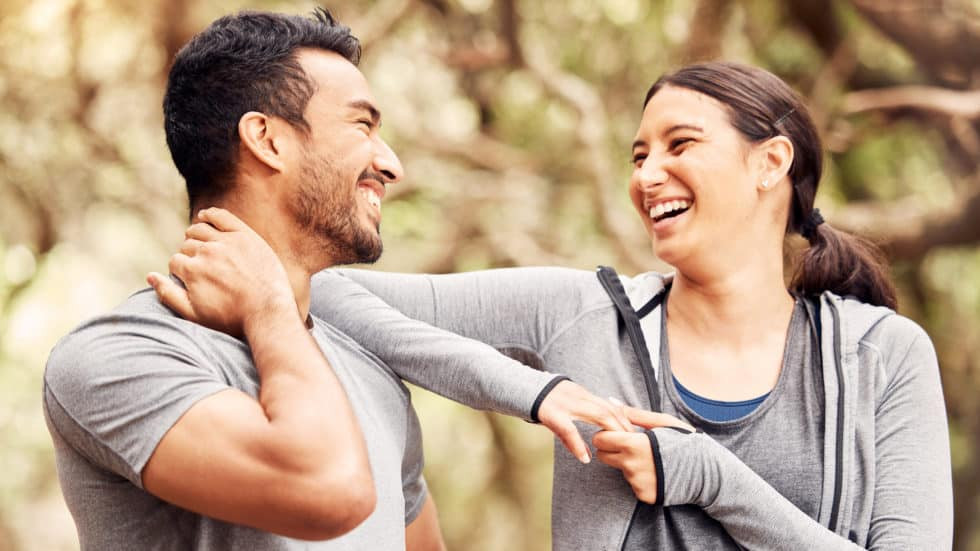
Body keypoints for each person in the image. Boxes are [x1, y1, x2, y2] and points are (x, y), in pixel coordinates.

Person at [43, 9, 626, 549]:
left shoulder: (366, 369)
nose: (391, 164)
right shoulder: (117, 356)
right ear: (267, 140)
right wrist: (269, 308)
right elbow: (331, 492)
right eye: (361, 126)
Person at [306, 62, 953, 549]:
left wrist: (710, 475)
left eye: (681, 144)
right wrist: (536, 392)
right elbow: (326, 289)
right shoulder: (580, 312)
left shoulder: (883, 355)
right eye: (639, 155)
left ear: (771, 163)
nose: (646, 175)